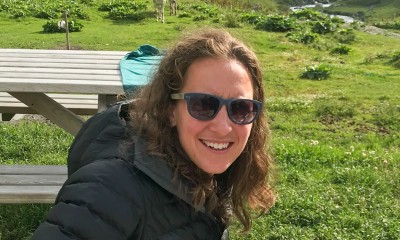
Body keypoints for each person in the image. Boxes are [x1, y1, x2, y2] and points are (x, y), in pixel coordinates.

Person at [31, 27, 276, 240]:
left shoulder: (205, 172)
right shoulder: (110, 190)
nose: (223, 127)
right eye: (203, 105)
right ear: (170, 110)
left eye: (242, 108)